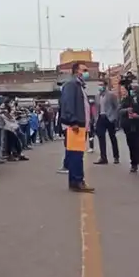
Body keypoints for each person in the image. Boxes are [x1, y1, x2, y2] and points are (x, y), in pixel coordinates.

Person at [60, 61, 95, 192]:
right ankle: (78, 181)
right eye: (84, 70)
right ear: (76, 71)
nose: (86, 73)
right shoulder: (71, 85)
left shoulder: (79, 86)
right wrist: (73, 121)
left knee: (77, 154)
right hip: (76, 125)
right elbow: (68, 104)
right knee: (76, 155)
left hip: (81, 125)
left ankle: (75, 181)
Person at [118, 81, 139, 174]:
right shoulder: (125, 100)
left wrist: (138, 116)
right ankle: (134, 164)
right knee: (131, 145)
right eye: (131, 89)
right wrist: (126, 110)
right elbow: (119, 110)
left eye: (134, 89)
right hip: (128, 126)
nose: (132, 91)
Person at [93, 84, 121, 165]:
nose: (100, 87)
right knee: (101, 138)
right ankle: (103, 157)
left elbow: (117, 106)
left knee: (112, 137)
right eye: (99, 85)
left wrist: (115, 117)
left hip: (109, 118)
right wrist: (95, 119)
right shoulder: (97, 96)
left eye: (101, 85)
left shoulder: (111, 95)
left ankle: (116, 157)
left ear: (105, 86)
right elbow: (96, 108)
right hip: (100, 118)